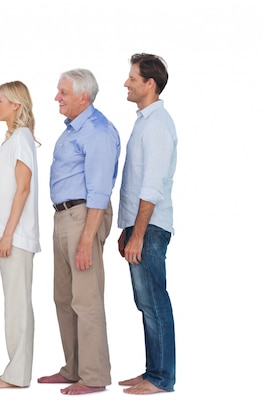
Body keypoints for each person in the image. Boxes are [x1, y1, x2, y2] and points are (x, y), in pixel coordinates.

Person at [38, 69, 120, 395]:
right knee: (64, 298)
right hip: (64, 217)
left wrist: (87, 239)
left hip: (84, 216)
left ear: (83, 97)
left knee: (86, 300)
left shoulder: (97, 131)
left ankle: (94, 376)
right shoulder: (73, 130)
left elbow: (100, 190)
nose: (57, 97)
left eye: (63, 92)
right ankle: (73, 368)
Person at [117, 53, 177, 395]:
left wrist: (137, 233)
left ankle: (161, 377)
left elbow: (151, 186)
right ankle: (152, 371)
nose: (126, 83)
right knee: (146, 302)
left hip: (150, 228)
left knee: (154, 300)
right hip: (140, 227)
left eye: (132, 78)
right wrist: (127, 229)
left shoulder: (157, 124)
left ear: (149, 83)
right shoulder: (144, 121)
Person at [0, 81, 40, 389]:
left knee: (17, 303)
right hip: (9, 233)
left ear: (16, 105)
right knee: (13, 302)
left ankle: (17, 375)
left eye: (0, 100)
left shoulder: (21, 137)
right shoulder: (14, 139)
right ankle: (14, 370)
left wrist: (7, 235)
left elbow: (23, 188)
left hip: (15, 236)